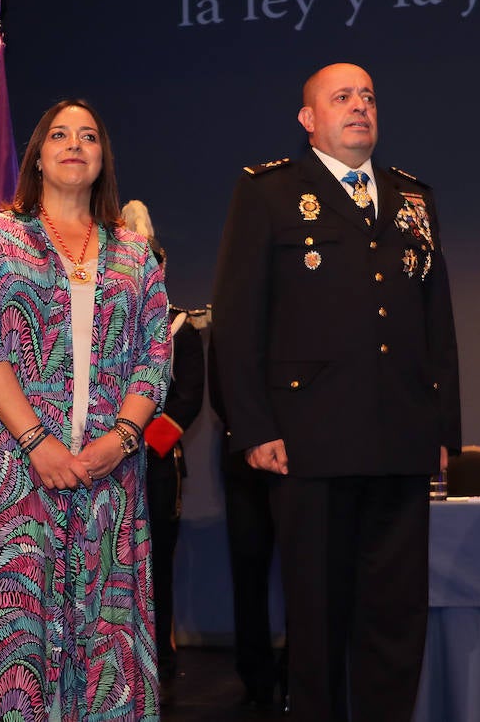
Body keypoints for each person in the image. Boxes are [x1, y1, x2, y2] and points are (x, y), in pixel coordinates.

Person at [211, 63, 461, 721]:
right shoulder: (268, 193)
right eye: (343, 97)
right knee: (318, 617)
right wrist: (253, 425)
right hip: (310, 442)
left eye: (369, 97)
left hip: (402, 438)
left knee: (396, 617)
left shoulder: (413, 197)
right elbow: (237, 320)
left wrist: (442, 427)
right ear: (309, 118)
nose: (360, 107)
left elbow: (438, 319)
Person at [0, 99, 171, 721]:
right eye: (59, 135)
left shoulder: (135, 255)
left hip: (112, 478)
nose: (74, 145)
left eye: (89, 137)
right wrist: (37, 442)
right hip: (20, 473)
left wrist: (121, 438)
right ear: (39, 156)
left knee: (107, 639)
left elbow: (155, 359)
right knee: (15, 637)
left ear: (102, 158)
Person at [120, 199, 205, 694]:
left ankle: (160, 661)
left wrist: (132, 442)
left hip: (153, 464)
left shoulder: (180, 328)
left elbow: (186, 402)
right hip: (104, 463)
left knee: (157, 565)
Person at [207, 339, 290, 712]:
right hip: (245, 463)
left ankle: (297, 677)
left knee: (304, 576)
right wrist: (256, 434)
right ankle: (255, 679)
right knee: (249, 573)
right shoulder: (236, 314)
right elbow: (222, 390)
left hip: (302, 464)